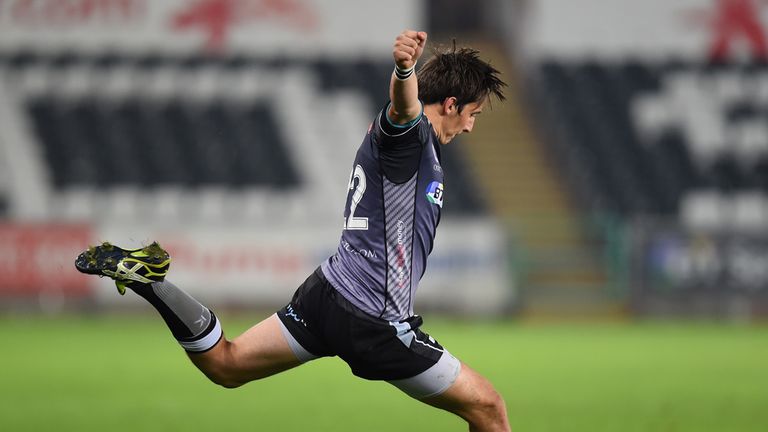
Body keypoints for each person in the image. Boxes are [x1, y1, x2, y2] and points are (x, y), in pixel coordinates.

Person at [76, 30, 510, 431]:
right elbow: (404, 107)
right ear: (451, 104)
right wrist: (403, 71)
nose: (471, 125)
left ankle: (153, 284)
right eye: (472, 113)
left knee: (227, 365)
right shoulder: (411, 138)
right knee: (488, 407)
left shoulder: (411, 146)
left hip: (328, 294)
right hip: (373, 318)